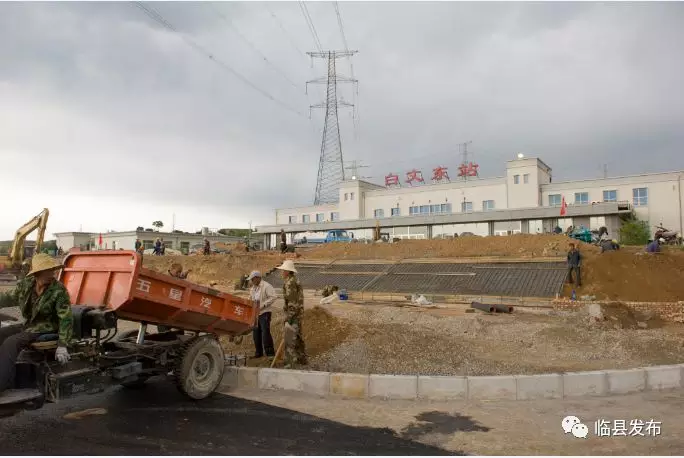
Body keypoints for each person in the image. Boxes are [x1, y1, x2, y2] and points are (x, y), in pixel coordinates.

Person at [0, 254, 73, 393]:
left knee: (11, 342)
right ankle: (4, 372)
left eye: (53, 269)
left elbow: (66, 318)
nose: (53, 273)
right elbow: (9, 298)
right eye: (49, 270)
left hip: (47, 328)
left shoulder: (59, 290)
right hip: (30, 326)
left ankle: (2, 383)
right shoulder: (26, 285)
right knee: (1, 333)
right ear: (38, 272)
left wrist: (63, 345)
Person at [276, 260, 306, 368]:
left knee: (289, 339)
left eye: (283, 270)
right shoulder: (294, 280)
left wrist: (289, 318)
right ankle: (302, 360)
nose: (282, 272)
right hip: (298, 314)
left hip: (293, 315)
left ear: (287, 271)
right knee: (298, 337)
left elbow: (292, 302)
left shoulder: (290, 283)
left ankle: (290, 363)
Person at [247, 271, 277, 359]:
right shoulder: (253, 288)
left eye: (253, 279)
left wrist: (263, 305)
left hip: (265, 312)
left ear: (257, 278)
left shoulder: (266, 286)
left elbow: (273, 297)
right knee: (256, 333)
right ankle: (258, 352)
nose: (252, 281)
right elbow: (250, 299)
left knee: (265, 332)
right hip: (256, 313)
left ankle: (270, 353)